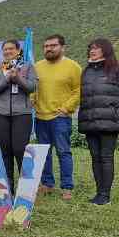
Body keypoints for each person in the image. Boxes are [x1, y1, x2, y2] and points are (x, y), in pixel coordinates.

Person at [78, 38, 119, 205]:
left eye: (96, 48)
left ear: (106, 50)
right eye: (90, 48)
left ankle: (105, 195)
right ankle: (98, 193)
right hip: (90, 123)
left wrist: (116, 114)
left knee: (106, 157)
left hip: (109, 124)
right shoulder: (86, 72)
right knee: (95, 157)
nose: (92, 51)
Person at [32, 34, 81, 200]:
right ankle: (47, 184)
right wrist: (32, 101)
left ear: (62, 47)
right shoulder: (37, 66)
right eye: (46, 46)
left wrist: (67, 108)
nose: (49, 49)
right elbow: (33, 88)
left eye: (53, 45)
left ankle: (67, 187)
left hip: (60, 117)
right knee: (44, 153)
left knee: (63, 152)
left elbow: (79, 90)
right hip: (40, 116)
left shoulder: (73, 67)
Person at [0, 40, 38, 194]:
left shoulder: (28, 66)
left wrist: (18, 79)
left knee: (20, 149)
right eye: (5, 49)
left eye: (11, 49)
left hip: (22, 114)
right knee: (5, 150)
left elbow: (31, 87)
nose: (8, 52)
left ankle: (26, 189)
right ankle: (8, 187)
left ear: (18, 50)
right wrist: (6, 79)